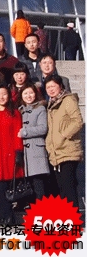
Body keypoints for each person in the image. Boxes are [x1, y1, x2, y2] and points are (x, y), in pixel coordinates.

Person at [45, 74, 83, 208]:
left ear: (60, 86)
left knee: (68, 188)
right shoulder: (51, 104)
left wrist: (63, 135)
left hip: (68, 150)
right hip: (56, 152)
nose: (51, 89)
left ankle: (73, 217)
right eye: (48, 87)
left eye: (53, 86)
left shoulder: (68, 100)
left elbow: (77, 121)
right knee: (62, 189)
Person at [0, 86, 24, 226]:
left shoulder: (14, 113)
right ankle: (5, 215)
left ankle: (8, 216)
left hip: (10, 153)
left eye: (4, 94)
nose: (1, 97)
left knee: (10, 187)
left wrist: (18, 151)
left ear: (9, 96)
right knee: (0, 187)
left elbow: (17, 133)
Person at [17, 83, 50, 201]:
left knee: (39, 186)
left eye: (31, 93)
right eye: (25, 93)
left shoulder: (40, 109)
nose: (28, 96)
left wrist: (25, 132)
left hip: (36, 152)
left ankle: (41, 210)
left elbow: (43, 128)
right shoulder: (20, 110)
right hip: (24, 153)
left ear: (36, 94)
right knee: (29, 188)